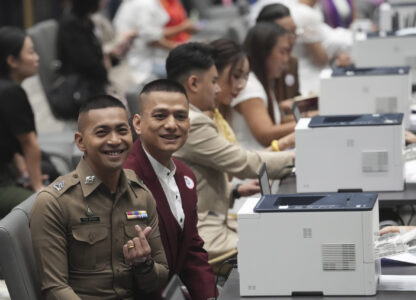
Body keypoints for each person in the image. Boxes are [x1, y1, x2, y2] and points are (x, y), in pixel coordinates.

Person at [30, 95, 169, 299]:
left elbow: (161, 276)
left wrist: (143, 264)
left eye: (122, 130)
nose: (114, 140)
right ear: (81, 141)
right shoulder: (55, 202)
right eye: (102, 132)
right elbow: (55, 289)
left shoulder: (140, 195)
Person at [166, 42, 294, 260]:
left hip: (214, 220)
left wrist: (233, 191)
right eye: (214, 81)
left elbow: (194, 183)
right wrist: (296, 158)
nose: (218, 89)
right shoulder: (192, 122)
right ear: (194, 83)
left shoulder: (196, 115)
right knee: (281, 246)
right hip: (205, 232)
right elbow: (243, 163)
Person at [124, 79, 217, 299]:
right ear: (137, 123)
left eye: (180, 116)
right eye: (160, 116)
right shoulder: (123, 180)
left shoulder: (185, 176)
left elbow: (192, 251)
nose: (172, 124)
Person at [230, 22, 296, 151]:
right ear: (263, 53)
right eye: (282, 52)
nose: (286, 59)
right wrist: (306, 124)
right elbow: (266, 135)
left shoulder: (263, 81)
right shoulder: (249, 86)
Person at [0, 26, 44, 217]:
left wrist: (22, 171)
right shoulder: (11, 92)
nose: (37, 57)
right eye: (31, 52)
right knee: (46, 207)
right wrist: (37, 187)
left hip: (7, 171)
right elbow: (28, 143)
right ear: (11, 61)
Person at [114, 0, 196, 83]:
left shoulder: (146, 2)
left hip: (145, 57)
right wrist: (181, 49)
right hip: (141, 63)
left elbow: (156, 32)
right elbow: (151, 39)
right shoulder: (144, 4)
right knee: (189, 70)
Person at [256, 3, 301, 109]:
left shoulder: (292, 62)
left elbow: (294, 97)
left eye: (294, 32)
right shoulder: (252, 71)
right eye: (285, 33)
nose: (292, 39)